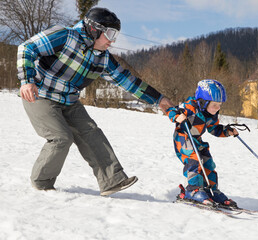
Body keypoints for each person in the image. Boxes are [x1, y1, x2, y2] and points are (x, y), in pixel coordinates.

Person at [17, 7, 174, 196]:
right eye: (109, 34)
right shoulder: (65, 36)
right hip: (40, 95)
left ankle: (112, 180)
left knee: (92, 133)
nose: (112, 40)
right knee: (61, 137)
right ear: (94, 29)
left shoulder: (104, 59)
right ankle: (42, 183)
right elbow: (27, 47)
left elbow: (128, 82)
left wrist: (159, 99)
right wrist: (27, 81)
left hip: (69, 101)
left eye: (115, 34)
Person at [166, 79, 239, 207]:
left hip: (196, 140)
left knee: (208, 161)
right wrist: (177, 116)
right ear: (203, 102)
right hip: (183, 138)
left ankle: (211, 190)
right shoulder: (190, 107)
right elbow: (171, 110)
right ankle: (192, 190)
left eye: (220, 105)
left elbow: (214, 129)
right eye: (215, 105)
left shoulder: (211, 114)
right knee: (195, 159)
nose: (218, 108)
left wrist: (227, 131)